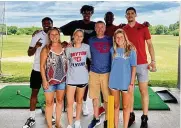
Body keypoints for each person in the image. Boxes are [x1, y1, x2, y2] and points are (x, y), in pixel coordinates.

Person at [123, 7, 156, 128]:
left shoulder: (143, 28)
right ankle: (131, 115)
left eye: (132, 13)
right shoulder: (123, 29)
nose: (130, 15)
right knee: (130, 91)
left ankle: (144, 117)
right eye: (128, 14)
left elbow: (150, 45)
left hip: (142, 64)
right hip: (127, 65)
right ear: (126, 16)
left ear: (135, 15)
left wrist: (153, 61)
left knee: (143, 91)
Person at [60, 5, 95, 117]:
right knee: (73, 81)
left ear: (91, 13)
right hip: (73, 57)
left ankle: (83, 104)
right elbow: (58, 30)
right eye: (85, 12)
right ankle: (74, 105)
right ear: (82, 13)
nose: (87, 14)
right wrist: (64, 43)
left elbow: (105, 30)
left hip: (87, 57)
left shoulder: (94, 25)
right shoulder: (74, 24)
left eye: (89, 12)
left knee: (84, 82)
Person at [23, 17, 53, 128]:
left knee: (49, 94)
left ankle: (49, 114)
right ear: (42, 24)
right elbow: (29, 53)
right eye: (44, 23)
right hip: (37, 69)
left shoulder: (55, 34)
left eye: (48, 23)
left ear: (52, 24)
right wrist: (36, 47)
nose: (46, 25)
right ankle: (31, 117)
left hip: (50, 70)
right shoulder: (36, 36)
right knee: (34, 93)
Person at [109, 29, 136, 128]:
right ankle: (115, 126)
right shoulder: (113, 50)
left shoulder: (131, 50)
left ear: (125, 37)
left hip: (126, 82)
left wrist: (132, 83)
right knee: (115, 106)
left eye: (121, 37)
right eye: (117, 37)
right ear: (115, 39)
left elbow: (133, 67)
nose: (119, 39)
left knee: (125, 107)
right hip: (114, 82)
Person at [40, 27, 67, 128]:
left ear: (59, 35)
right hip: (49, 81)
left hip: (62, 80)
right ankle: (49, 125)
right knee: (49, 103)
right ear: (49, 36)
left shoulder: (64, 47)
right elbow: (42, 66)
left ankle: (58, 123)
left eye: (56, 34)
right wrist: (44, 80)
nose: (54, 36)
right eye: (52, 34)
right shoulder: (46, 49)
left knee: (60, 101)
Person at [88, 21, 113, 128]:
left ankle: (108, 120)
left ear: (105, 28)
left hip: (107, 73)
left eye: (102, 27)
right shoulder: (90, 40)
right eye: (97, 27)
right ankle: (96, 118)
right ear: (95, 28)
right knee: (95, 97)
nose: (99, 29)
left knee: (107, 98)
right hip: (94, 72)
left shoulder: (110, 39)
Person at [66, 29, 91, 128]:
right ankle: (69, 124)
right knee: (70, 103)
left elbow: (91, 59)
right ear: (73, 36)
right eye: (77, 35)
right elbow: (65, 61)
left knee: (79, 100)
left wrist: (87, 67)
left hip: (83, 78)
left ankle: (77, 122)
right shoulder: (69, 49)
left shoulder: (86, 47)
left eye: (81, 36)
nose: (79, 38)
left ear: (83, 37)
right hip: (71, 78)